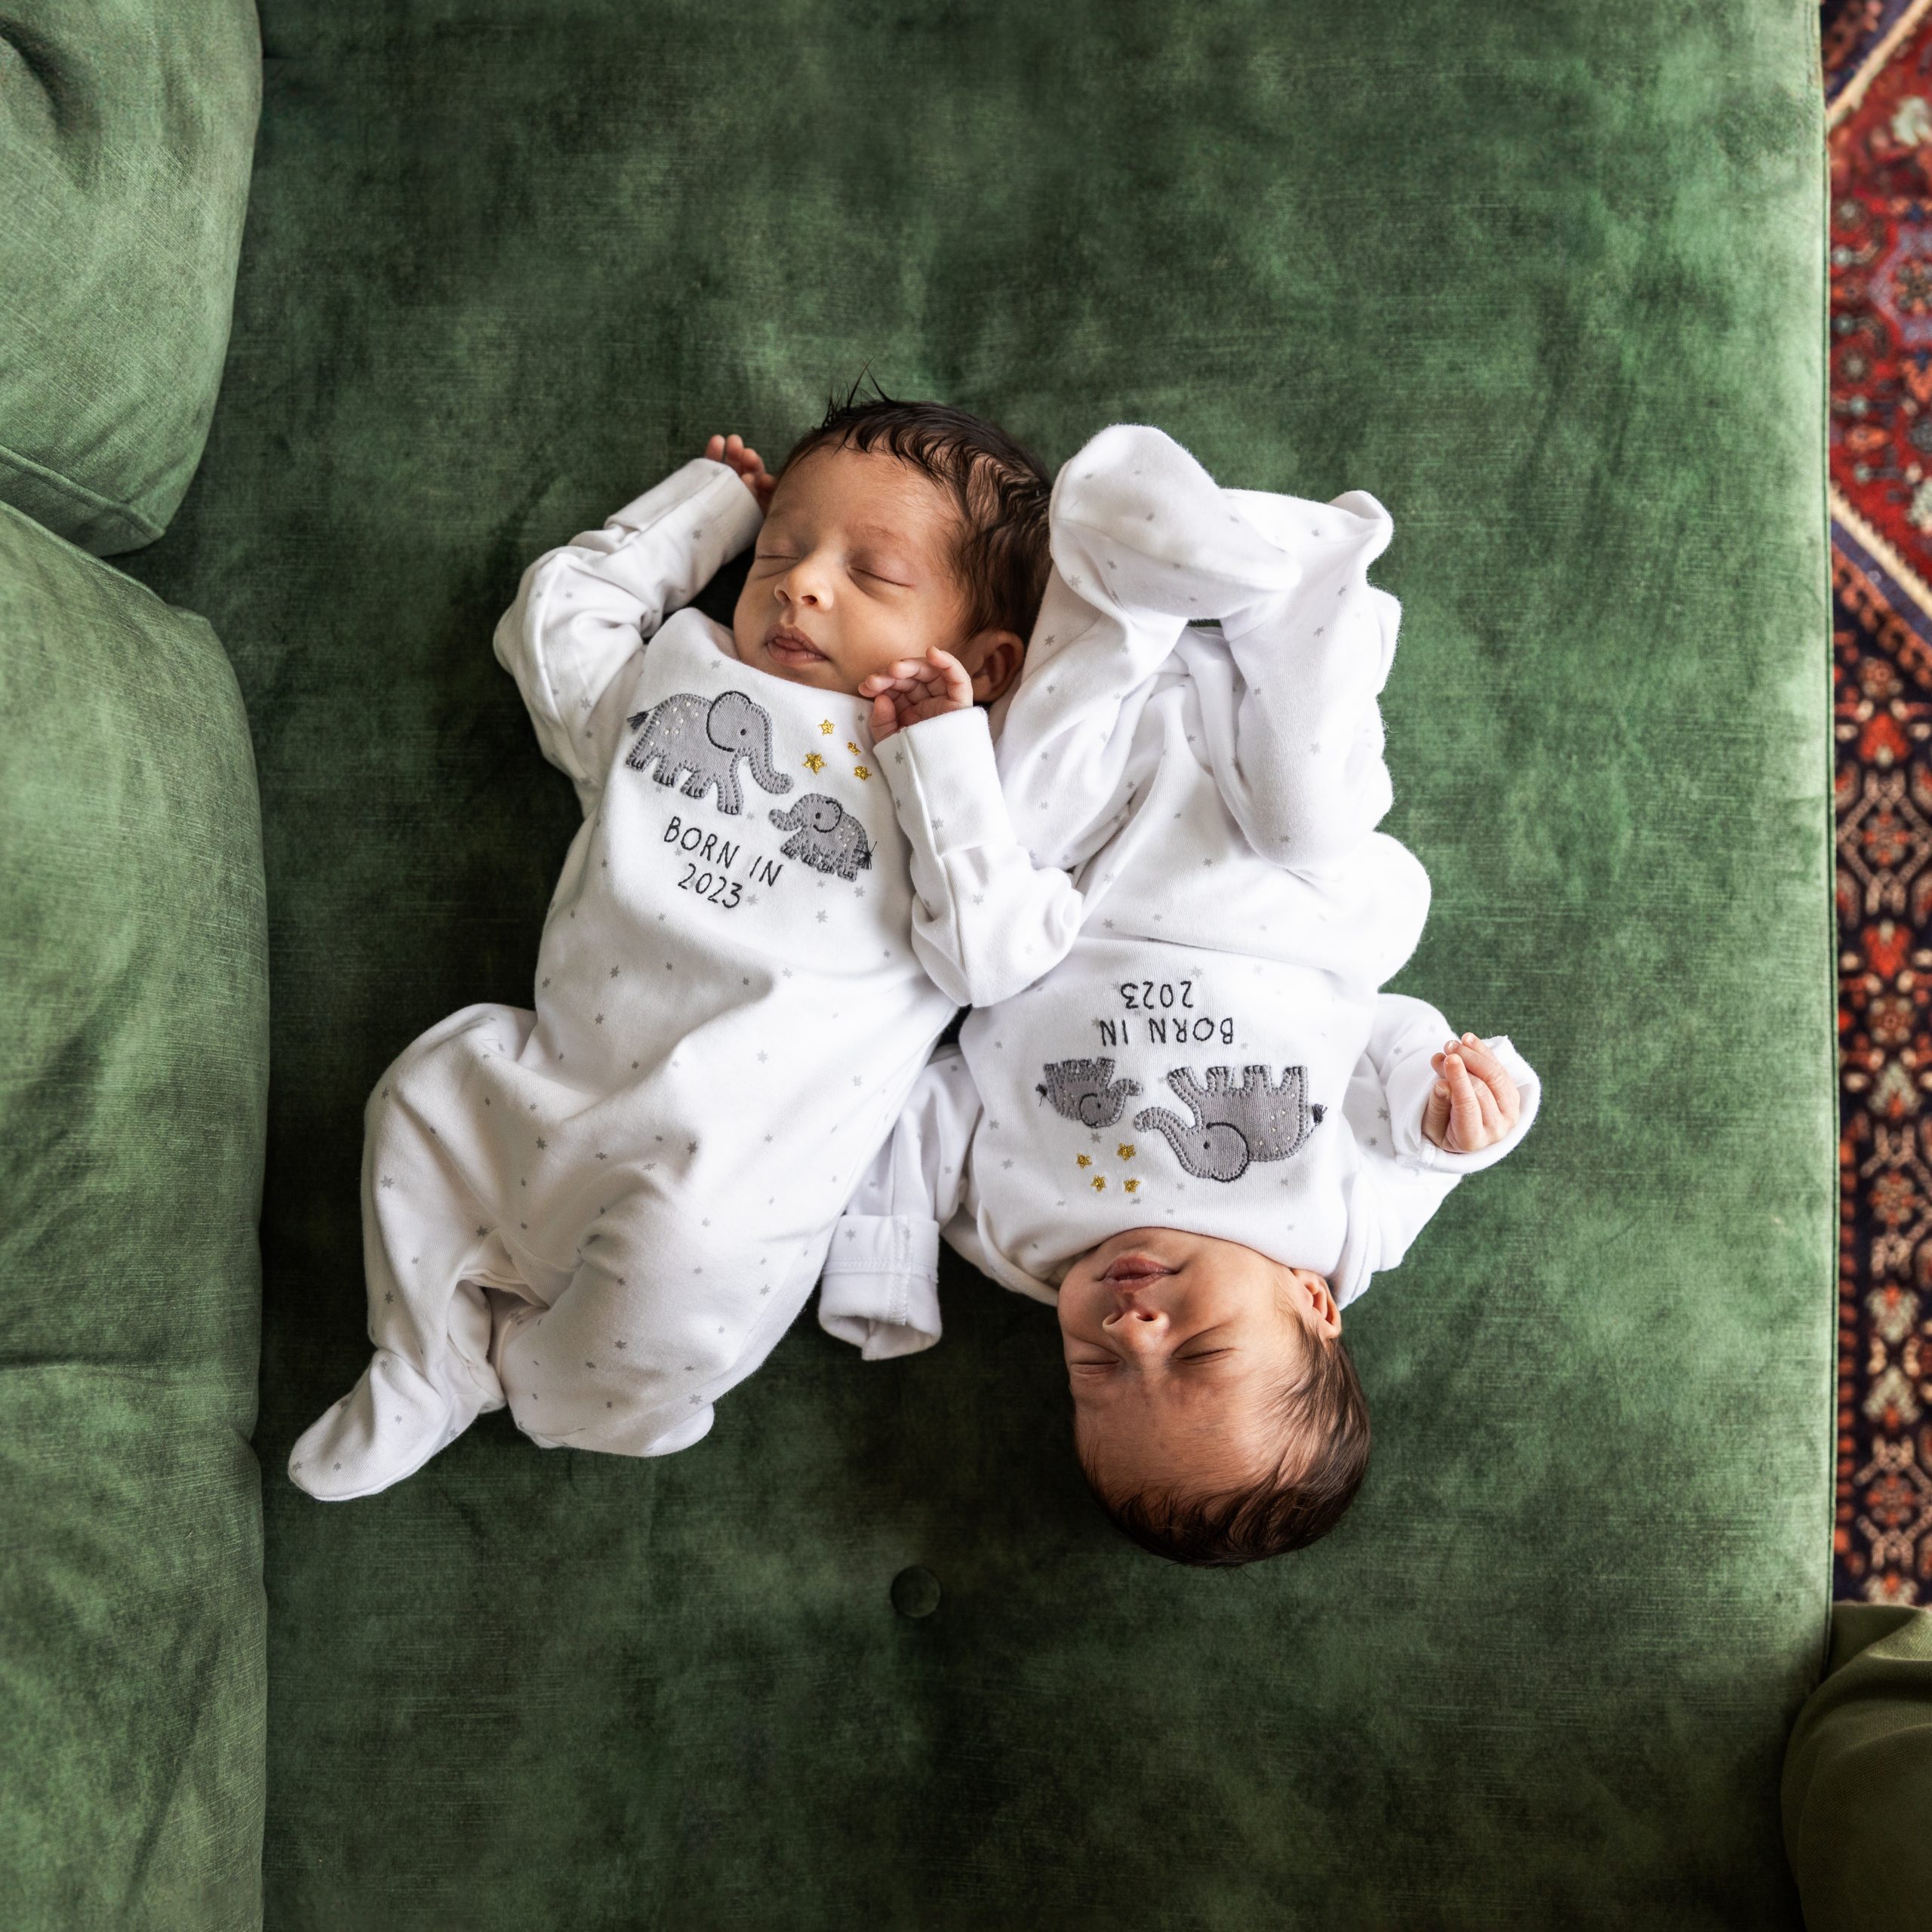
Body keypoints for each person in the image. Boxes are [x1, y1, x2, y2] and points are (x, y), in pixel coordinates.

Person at [289, 382, 1074, 1499]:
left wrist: (943, 755)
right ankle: (428, 1360)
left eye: (872, 575)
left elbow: (993, 963)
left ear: (985, 665)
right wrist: (708, 511)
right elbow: (551, 631)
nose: (801, 582)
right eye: (779, 554)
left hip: (724, 1168)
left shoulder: (963, 796)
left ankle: (560, 1395)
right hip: (544, 1085)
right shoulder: (679, 672)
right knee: (420, 1094)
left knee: (689, 1278)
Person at [815, 422, 1543, 1564]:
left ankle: (1118, 575)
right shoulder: (1342, 1225)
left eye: (1099, 1371)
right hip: (1276, 884)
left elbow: (905, 1114)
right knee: (1316, 801)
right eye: (1197, 1355)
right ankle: (1303, 578)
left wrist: (885, 1270)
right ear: (1313, 1305)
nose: (1132, 1328)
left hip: (1082, 874)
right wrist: (1463, 1112)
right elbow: (1404, 1063)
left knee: (1014, 800)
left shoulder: (1016, 1231)